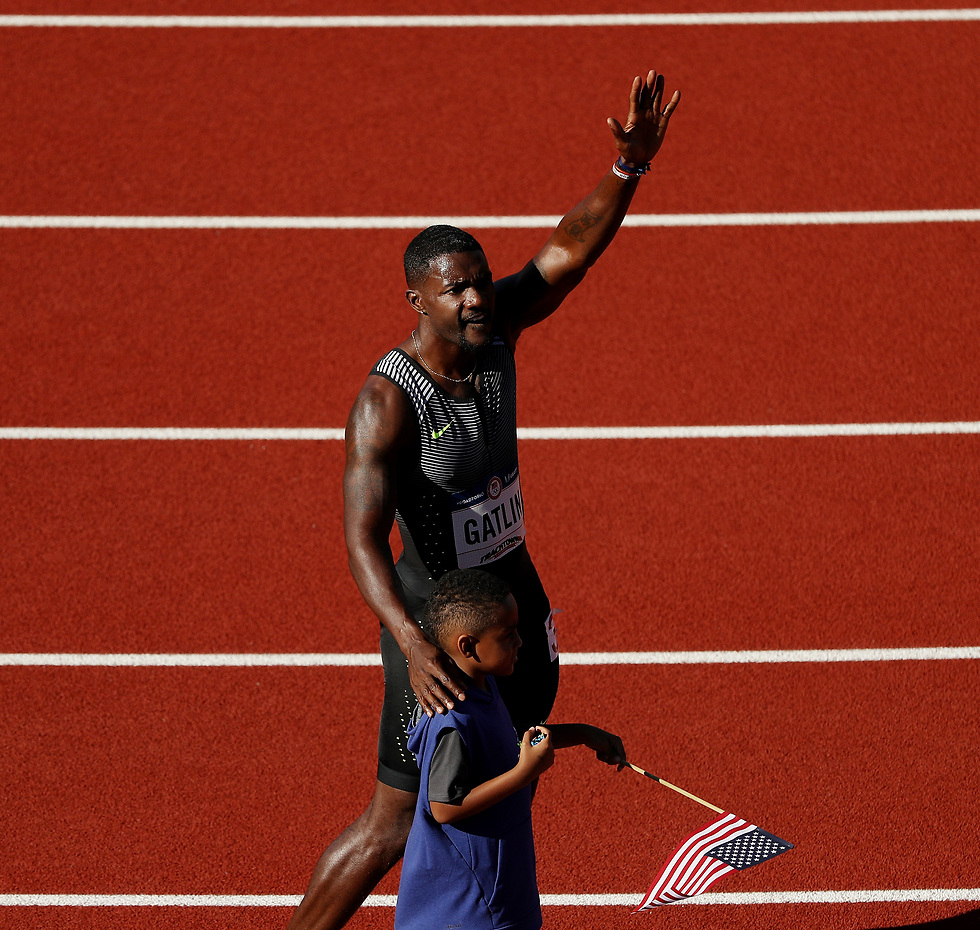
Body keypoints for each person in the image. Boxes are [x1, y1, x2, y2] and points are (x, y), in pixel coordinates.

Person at [287, 69, 679, 930]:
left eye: (479, 280)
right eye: (454, 288)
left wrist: (628, 168)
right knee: (395, 820)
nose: (473, 297)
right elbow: (361, 538)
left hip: (510, 603)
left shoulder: (497, 329)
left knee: (510, 772)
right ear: (416, 299)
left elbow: (568, 250)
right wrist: (410, 642)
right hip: (437, 630)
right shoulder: (387, 402)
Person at [395, 569, 626, 930]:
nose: (520, 641)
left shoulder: (484, 686)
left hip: (500, 892)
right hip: (469, 910)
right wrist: (524, 774)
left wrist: (583, 734)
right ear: (468, 646)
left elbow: (505, 744)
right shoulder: (452, 719)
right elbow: (443, 806)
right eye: (508, 634)